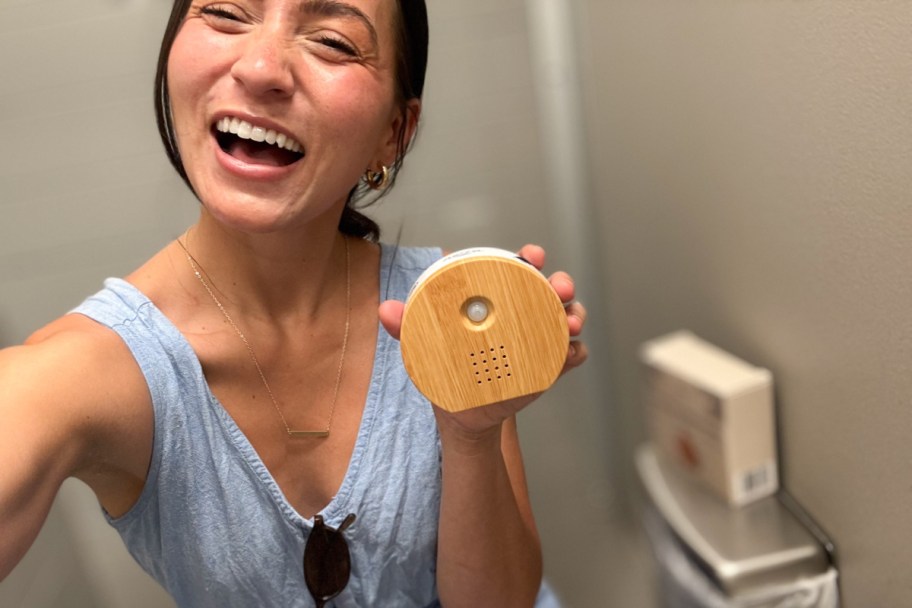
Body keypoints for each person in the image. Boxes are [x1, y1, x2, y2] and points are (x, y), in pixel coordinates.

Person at [0, 1, 588, 606]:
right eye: (226, 12)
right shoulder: (92, 369)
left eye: (333, 42)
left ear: (394, 132)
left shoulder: (444, 311)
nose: (260, 68)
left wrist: (470, 433)